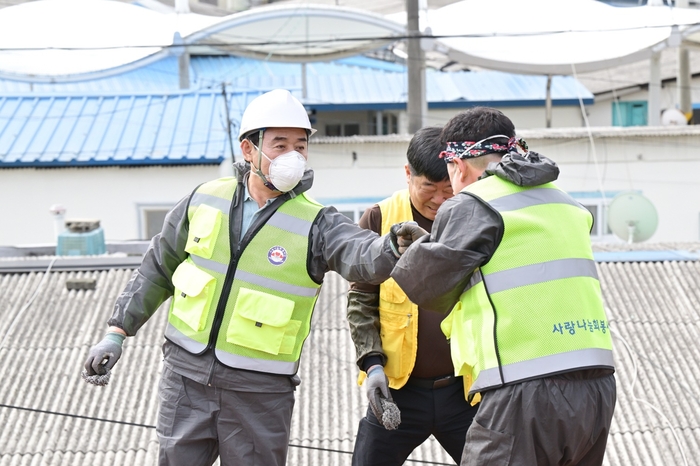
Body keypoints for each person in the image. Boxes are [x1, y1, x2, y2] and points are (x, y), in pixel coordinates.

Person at [82, 89, 424, 466]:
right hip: (186, 378)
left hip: (260, 392)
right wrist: (117, 333)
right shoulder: (204, 199)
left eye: (300, 145)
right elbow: (157, 268)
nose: (292, 156)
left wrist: (391, 247)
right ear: (249, 149)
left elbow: (362, 255)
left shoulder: (318, 222)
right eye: (279, 145)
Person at [391, 107, 617, 466]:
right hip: (597, 388)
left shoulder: (474, 201)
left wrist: (415, 249)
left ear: (458, 166)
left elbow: (429, 289)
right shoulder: (565, 202)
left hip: (524, 390)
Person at [347, 126, 479, 465]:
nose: (439, 199)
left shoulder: (479, 220)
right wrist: (372, 365)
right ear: (408, 174)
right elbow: (361, 299)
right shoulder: (379, 218)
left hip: (467, 392)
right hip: (397, 390)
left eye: (448, 188)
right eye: (428, 188)